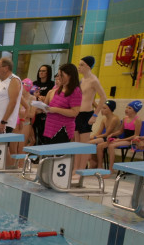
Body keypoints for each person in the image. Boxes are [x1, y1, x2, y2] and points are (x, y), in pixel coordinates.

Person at [73, 55, 108, 186]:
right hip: (78, 114)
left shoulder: (94, 80)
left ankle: (81, 171)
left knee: (84, 145)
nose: (79, 67)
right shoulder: (82, 81)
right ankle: (75, 169)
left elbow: (103, 98)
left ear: (88, 66)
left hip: (87, 114)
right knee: (76, 144)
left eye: (81, 65)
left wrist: (95, 115)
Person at [39, 63, 80, 145]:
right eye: (58, 75)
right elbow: (52, 106)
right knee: (49, 155)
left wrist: (55, 110)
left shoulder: (75, 91)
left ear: (69, 76)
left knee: (57, 156)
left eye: (61, 75)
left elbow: (74, 112)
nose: (59, 78)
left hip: (62, 129)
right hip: (50, 127)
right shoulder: (58, 90)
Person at [31, 64, 55, 146]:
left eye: (43, 71)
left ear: (48, 73)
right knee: (34, 134)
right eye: (40, 71)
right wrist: (34, 96)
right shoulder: (34, 83)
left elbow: (53, 99)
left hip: (45, 113)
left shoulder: (52, 84)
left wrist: (45, 98)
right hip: (35, 112)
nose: (41, 73)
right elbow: (29, 96)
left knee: (44, 134)